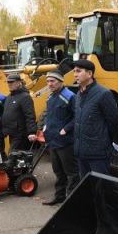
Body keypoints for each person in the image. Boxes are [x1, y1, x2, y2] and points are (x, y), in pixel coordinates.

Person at [72, 59, 118, 177]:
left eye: (78, 71)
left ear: (89, 74)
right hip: (81, 153)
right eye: (74, 71)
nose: (75, 74)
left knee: (100, 189)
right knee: (86, 188)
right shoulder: (78, 94)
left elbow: (114, 123)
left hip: (98, 155)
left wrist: (103, 143)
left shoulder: (103, 94)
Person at [41, 69, 79, 205]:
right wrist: (45, 126)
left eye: (52, 81)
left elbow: (77, 117)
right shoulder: (50, 97)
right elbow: (48, 115)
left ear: (60, 81)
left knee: (71, 172)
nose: (49, 84)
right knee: (58, 171)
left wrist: (65, 129)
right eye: (48, 81)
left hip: (65, 142)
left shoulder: (70, 96)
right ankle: (59, 196)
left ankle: (72, 200)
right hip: (52, 141)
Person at [2, 74, 37, 152]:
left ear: (19, 83)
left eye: (12, 82)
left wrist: (32, 132)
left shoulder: (25, 97)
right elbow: (6, 113)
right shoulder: (9, 97)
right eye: (8, 82)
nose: (9, 84)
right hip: (11, 133)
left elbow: (30, 115)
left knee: (13, 156)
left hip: (20, 134)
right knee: (17, 158)